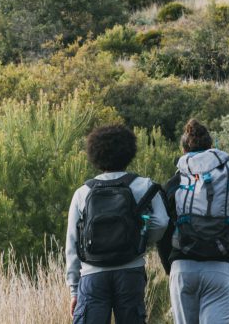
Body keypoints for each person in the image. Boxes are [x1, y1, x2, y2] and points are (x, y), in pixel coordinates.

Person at [66, 124, 169, 324]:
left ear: (95, 155)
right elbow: (162, 222)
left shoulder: (82, 192)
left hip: (92, 275)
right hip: (131, 271)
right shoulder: (143, 185)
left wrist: (73, 289)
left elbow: (72, 243)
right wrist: (141, 241)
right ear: (129, 152)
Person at [159, 119, 229, 324]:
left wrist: (170, 269)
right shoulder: (227, 183)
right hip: (220, 268)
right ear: (211, 149)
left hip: (182, 267)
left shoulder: (174, 184)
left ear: (183, 150)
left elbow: (163, 230)